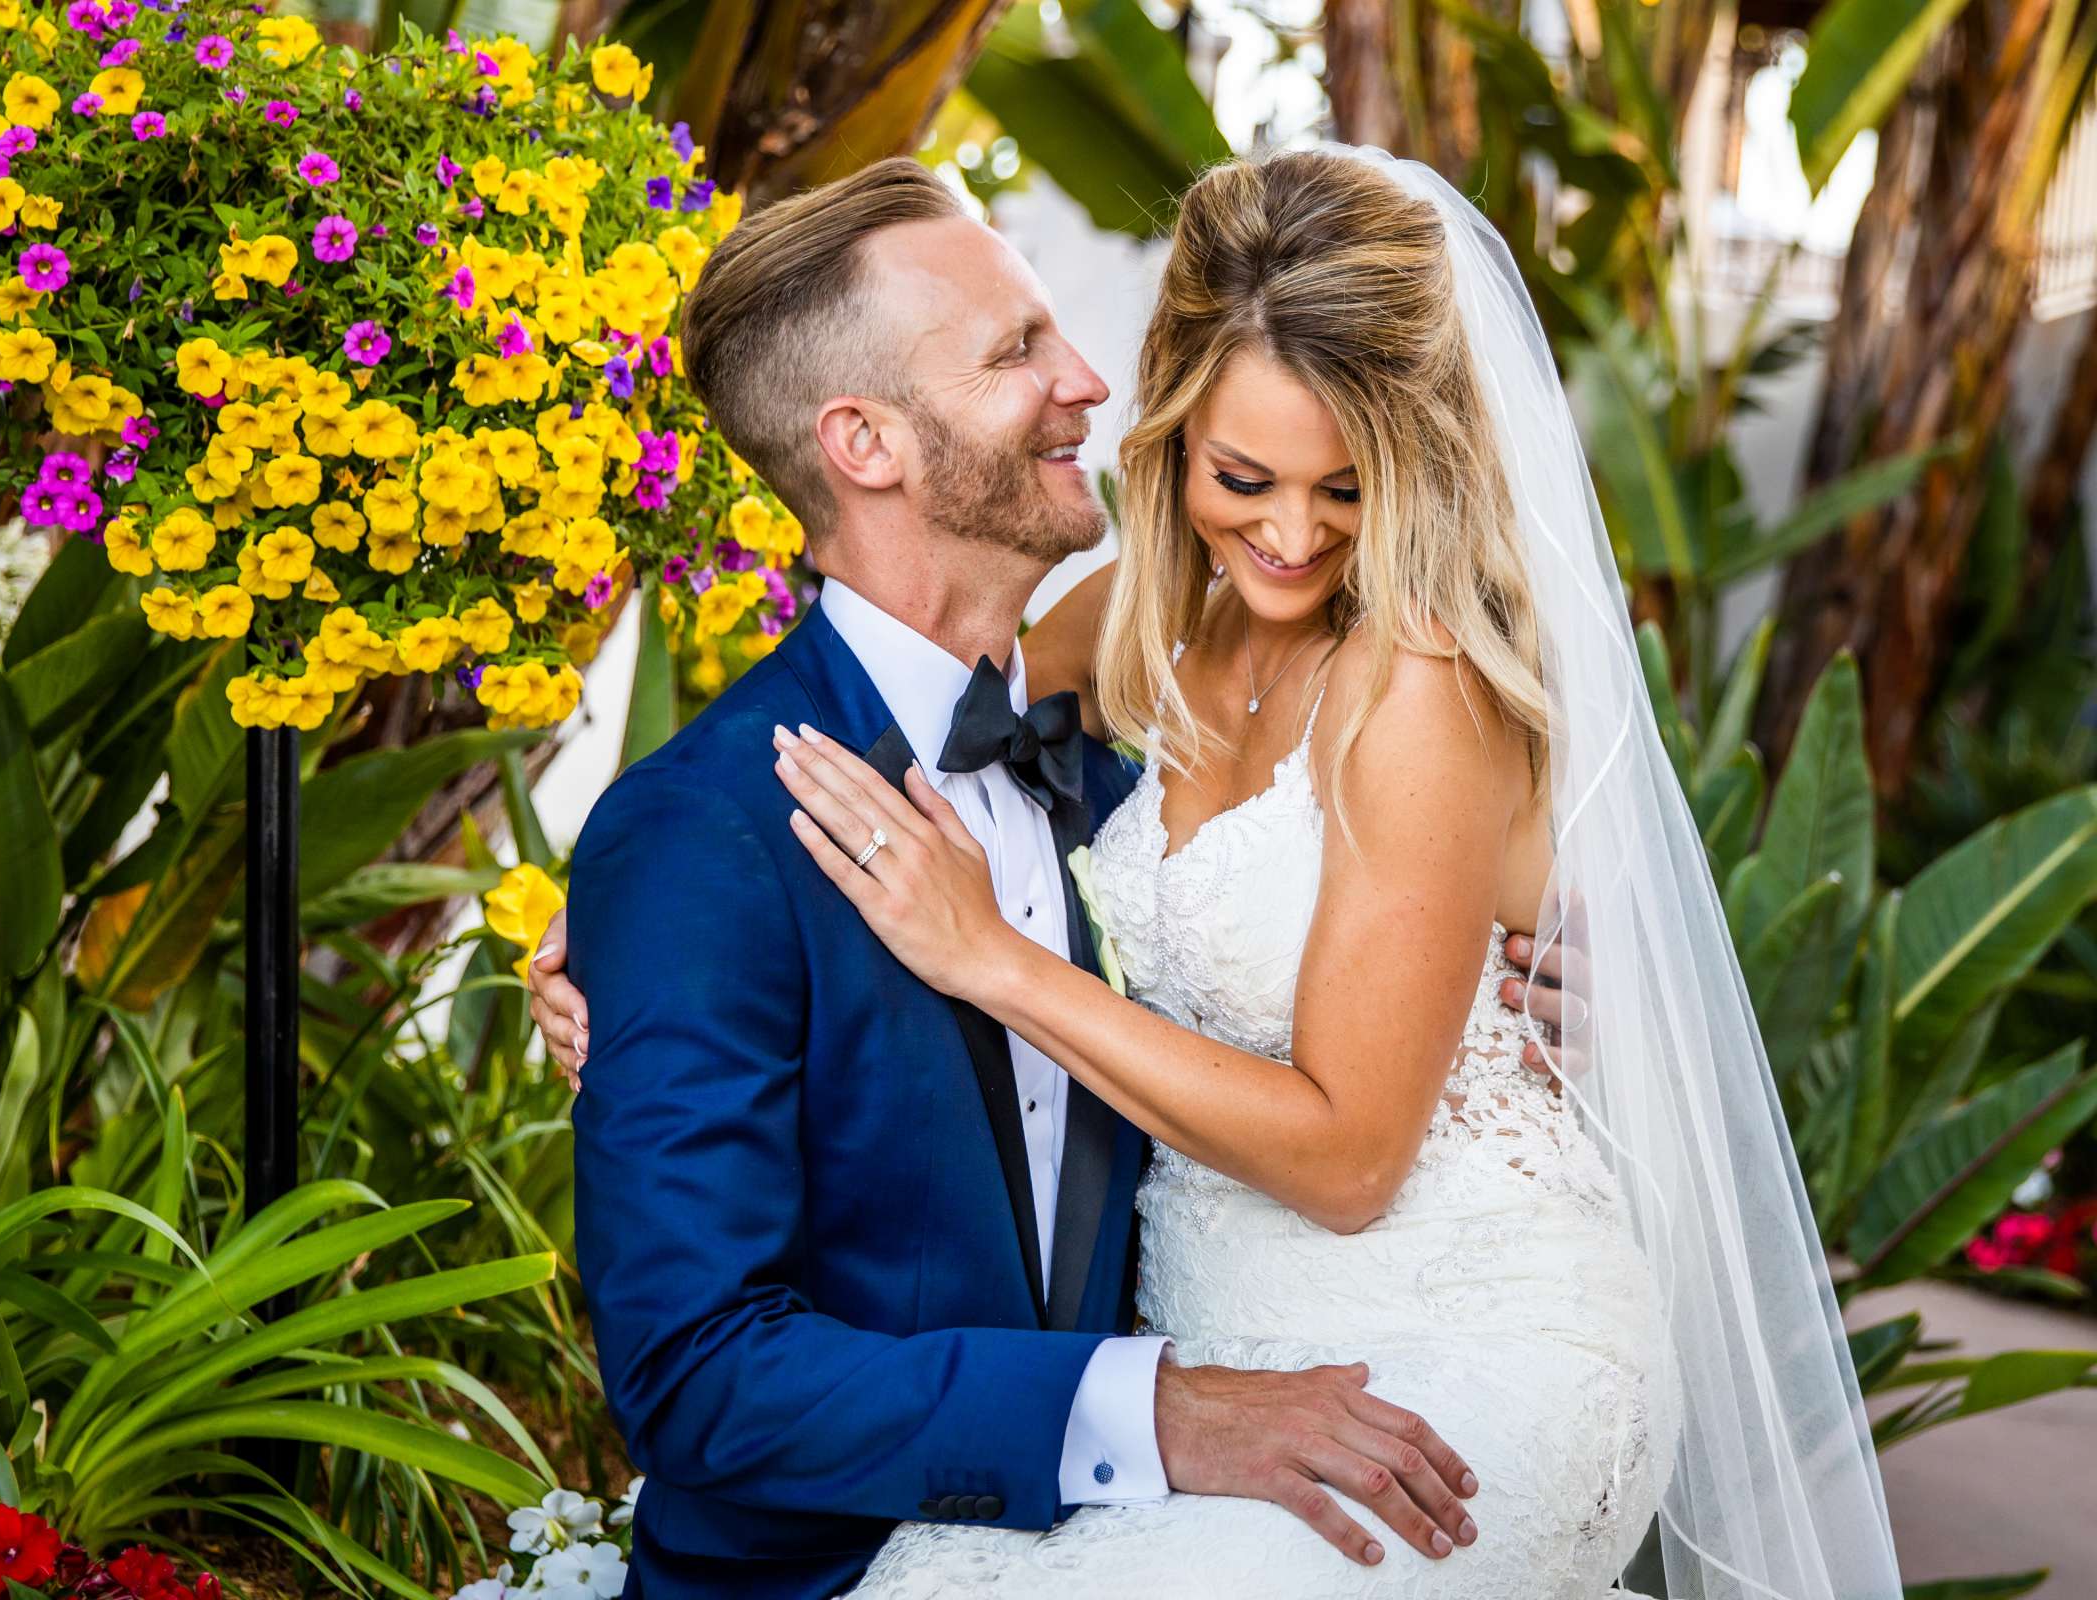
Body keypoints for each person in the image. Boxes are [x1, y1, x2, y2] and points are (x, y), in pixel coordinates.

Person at [551, 147, 1902, 1598]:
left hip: (1441, 1331)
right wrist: (608, 975)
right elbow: (700, 1325)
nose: (1085, 375)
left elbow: (1347, 1128)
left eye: (1346, 485)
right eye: (1020, 347)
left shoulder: (1412, 681)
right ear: (865, 441)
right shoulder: (1106, 650)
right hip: (1170, 1385)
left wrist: (995, 962)